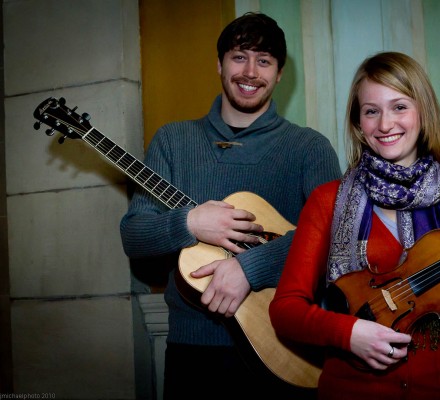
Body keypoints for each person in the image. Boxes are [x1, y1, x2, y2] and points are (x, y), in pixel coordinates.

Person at [120, 12, 341, 399]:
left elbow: (334, 238)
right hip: (193, 354)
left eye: (264, 61)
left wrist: (249, 268)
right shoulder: (172, 141)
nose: (251, 71)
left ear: (279, 73)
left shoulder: (309, 147)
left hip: (286, 348)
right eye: (239, 56)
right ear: (219, 63)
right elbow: (135, 235)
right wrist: (189, 222)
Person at [269, 51, 440, 399]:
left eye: (399, 107)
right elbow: (285, 310)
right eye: (371, 111)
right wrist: (349, 334)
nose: (385, 124)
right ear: (357, 124)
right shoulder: (326, 201)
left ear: (423, 113)